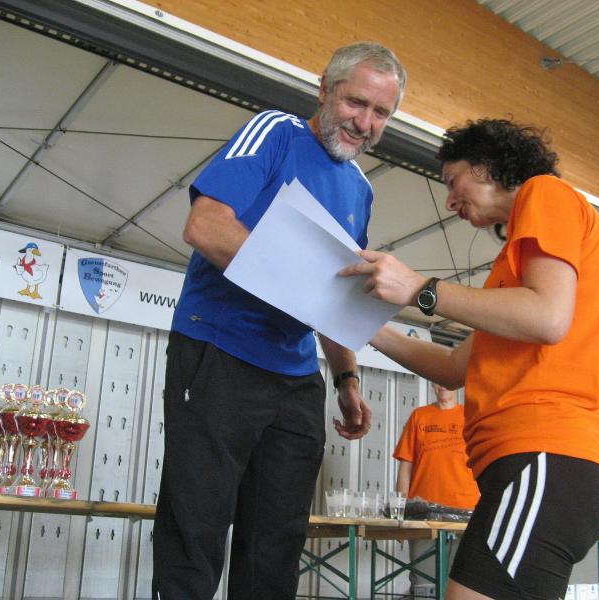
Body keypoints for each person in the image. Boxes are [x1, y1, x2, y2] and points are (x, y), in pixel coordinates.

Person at [152, 42, 407, 600]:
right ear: (325, 90)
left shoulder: (361, 190)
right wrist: (302, 283)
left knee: (276, 545)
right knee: (195, 530)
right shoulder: (274, 133)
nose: (365, 123)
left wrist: (346, 378)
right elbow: (206, 227)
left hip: (295, 378)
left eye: (381, 113)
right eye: (356, 103)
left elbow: (335, 291)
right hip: (219, 353)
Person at [340, 119, 599, 600]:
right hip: (531, 469)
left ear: (488, 165)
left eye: (453, 181)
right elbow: (454, 368)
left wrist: (421, 289)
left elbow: (548, 317)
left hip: (543, 457)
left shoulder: (544, 192)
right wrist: (362, 327)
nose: (450, 201)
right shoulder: (512, 275)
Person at [394, 382, 479, 598]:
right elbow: (405, 469)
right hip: (423, 515)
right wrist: (399, 514)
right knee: (425, 587)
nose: (442, 386)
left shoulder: (471, 417)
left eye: (447, 381)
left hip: (466, 513)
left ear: (459, 383)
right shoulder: (419, 417)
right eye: (437, 381)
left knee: (461, 585)